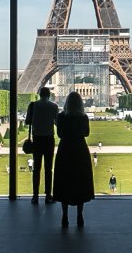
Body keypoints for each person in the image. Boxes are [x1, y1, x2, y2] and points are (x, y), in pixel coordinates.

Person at [52, 92, 94, 228]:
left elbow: (59, 134)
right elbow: (86, 133)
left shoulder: (61, 117)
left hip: (65, 150)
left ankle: (64, 215)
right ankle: (79, 215)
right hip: (80, 150)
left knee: (64, 181)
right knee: (80, 181)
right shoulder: (83, 117)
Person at [25, 86, 59, 204]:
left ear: (39, 94)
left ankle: (35, 196)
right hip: (49, 139)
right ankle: (48, 195)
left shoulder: (33, 105)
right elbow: (57, 123)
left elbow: (27, 122)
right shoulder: (54, 106)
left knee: (36, 169)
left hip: (37, 139)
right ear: (49, 95)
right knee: (48, 169)